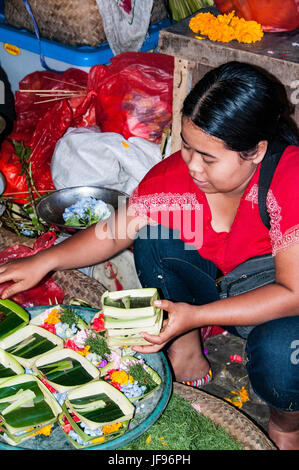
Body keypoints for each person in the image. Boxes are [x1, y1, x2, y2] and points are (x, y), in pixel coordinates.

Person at [0, 61, 298, 450]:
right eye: (187, 146)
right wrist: (45, 261)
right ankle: (185, 344)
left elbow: (292, 292)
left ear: (256, 151)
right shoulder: (177, 175)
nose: (192, 166)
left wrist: (196, 314)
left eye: (208, 158)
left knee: (283, 359)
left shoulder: (289, 179)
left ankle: (288, 426)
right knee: (153, 234)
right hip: (218, 283)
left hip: (278, 301)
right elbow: (113, 232)